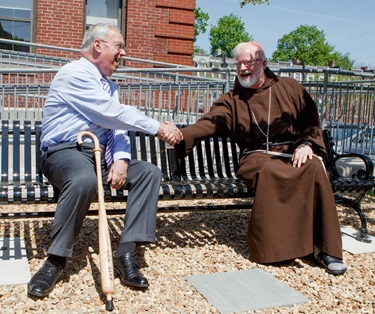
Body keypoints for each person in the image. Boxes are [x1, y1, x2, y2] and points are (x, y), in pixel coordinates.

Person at [27, 23, 183, 298]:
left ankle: (126, 253)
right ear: (98, 45)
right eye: (119, 46)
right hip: (65, 153)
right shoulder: (73, 73)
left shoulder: (109, 86)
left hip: (100, 156)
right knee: (84, 179)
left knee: (148, 173)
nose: (124, 52)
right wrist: (158, 127)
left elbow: (118, 127)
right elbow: (109, 113)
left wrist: (121, 160)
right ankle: (56, 260)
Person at [172, 42, 346, 275]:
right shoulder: (233, 100)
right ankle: (275, 249)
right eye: (239, 64)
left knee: (313, 165)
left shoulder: (290, 87)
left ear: (263, 63)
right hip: (255, 157)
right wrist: (180, 134)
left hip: (292, 151)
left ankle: (327, 249)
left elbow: (311, 120)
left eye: (249, 62)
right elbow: (209, 123)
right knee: (270, 171)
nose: (243, 68)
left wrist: (306, 144)